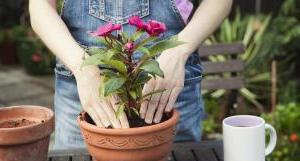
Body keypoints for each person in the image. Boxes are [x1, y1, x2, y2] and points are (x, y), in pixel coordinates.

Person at [29, 0, 233, 149]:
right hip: (84, 92)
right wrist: (83, 67)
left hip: (166, 88)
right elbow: (40, 6)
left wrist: (179, 51)